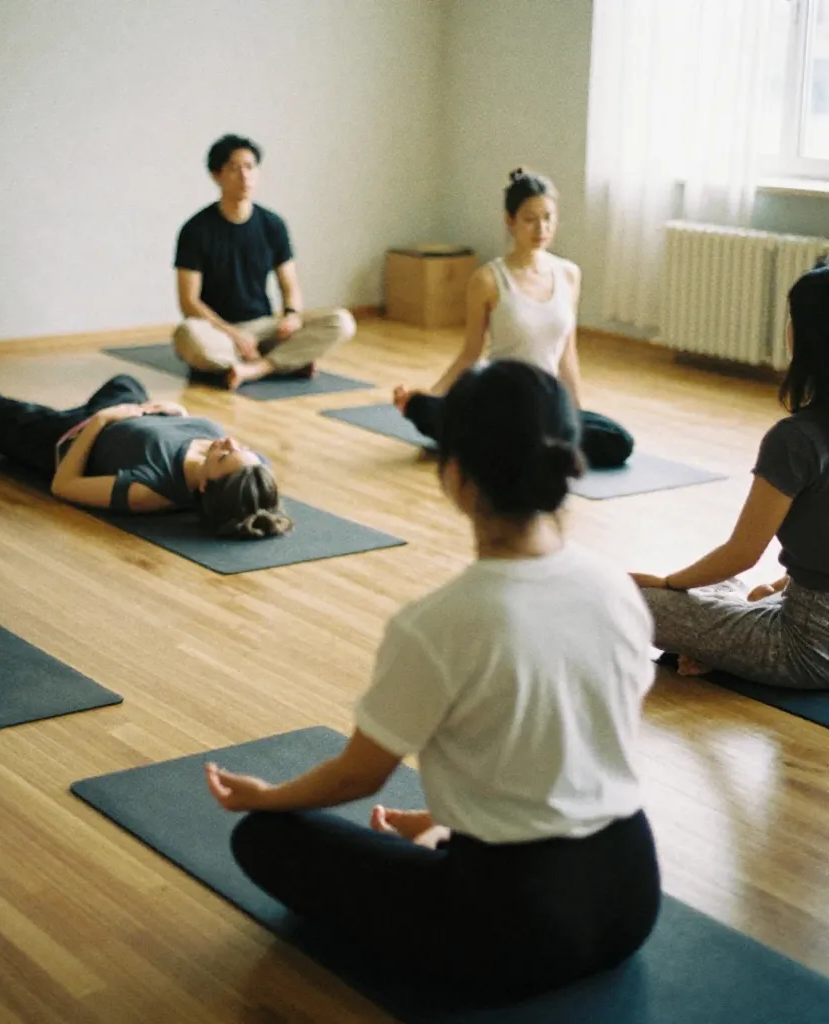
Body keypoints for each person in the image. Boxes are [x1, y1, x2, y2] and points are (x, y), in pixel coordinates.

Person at [207, 361, 660, 997]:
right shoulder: (615, 586)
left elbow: (358, 777)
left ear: (455, 476)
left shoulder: (438, 623)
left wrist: (263, 795)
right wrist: (442, 813)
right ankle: (446, 834)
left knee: (265, 840)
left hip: (515, 926)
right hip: (632, 897)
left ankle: (446, 844)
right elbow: (575, 740)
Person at [632, 264, 829, 689]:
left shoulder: (796, 439)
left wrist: (666, 584)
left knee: (630, 600)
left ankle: (717, 645)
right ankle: (721, 645)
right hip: (806, 609)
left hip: (807, 650)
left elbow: (742, 551)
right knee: (745, 590)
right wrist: (782, 584)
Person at [393, 169, 634, 469]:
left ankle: (513, 444)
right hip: (501, 400)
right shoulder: (488, 280)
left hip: (547, 403)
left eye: (547, 218)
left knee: (618, 440)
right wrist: (433, 393)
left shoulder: (569, 275)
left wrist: (574, 415)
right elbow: (470, 354)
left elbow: (567, 355)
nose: (540, 228)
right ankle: (512, 440)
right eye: (530, 219)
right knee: (429, 411)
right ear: (510, 221)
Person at [0, 364, 294, 540]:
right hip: (130, 412)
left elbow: (64, 485)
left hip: (67, 439)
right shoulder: (248, 472)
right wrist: (173, 413)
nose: (229, 443)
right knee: (126, 381)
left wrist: (99, 423)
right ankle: (87, 412)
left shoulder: (153, 490)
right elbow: (256, 483)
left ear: (204, 489)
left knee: (6, 416)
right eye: (240, 447)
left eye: (226, 457)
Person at [173, 134, 356, 389]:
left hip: (265, 328)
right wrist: (233, 334)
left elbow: (290, 286)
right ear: (217, 175)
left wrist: (292, 315)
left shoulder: (272, 225)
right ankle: (286, 362)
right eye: (234, 169)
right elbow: (189, 303)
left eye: (250, 167)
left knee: (341, 321)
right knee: (187, 336)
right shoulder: (196, 230)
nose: (244, 176)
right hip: (220, 331)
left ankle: (257, 368)